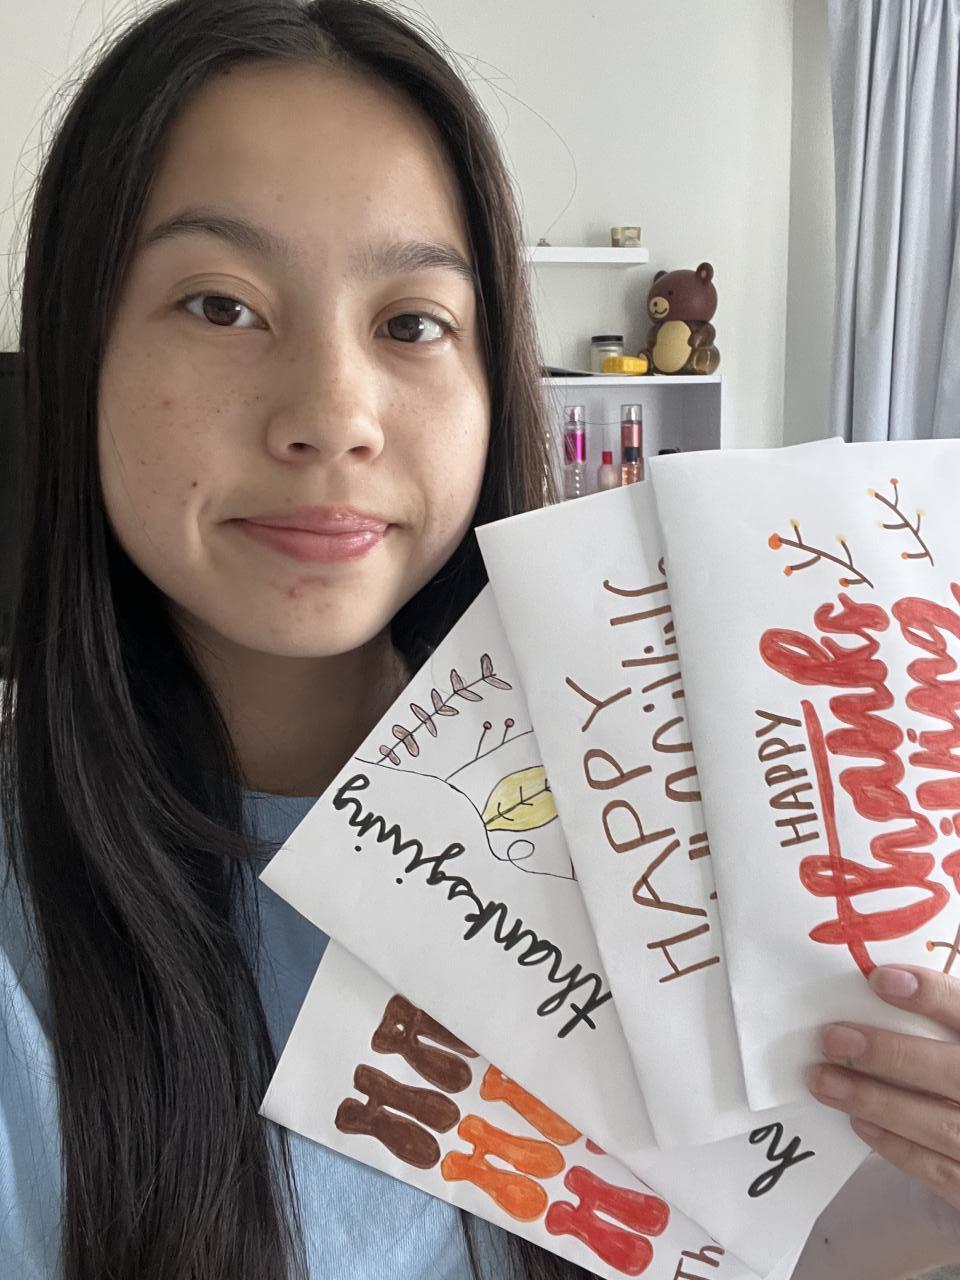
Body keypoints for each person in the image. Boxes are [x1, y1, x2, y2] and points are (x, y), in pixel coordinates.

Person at [0, 2, 958, 1278]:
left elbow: (798, 1237)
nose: (333, 414)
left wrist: (933, 1194)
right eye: (221, 305)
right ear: (82, 350)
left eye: (412, 323)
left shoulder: (682, 822)